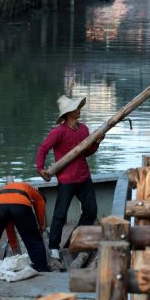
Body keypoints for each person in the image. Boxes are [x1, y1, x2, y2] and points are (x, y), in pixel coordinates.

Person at [37, 95, 103, 261]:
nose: (79, 110)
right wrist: (40, 168)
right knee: (60, 214)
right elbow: (43, 149)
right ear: (68, 113)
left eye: (79, 107)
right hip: (66, 179)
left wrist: (97, 143)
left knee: (91, 211)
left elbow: (87, 152)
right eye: (76, 108)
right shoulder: (58, 131)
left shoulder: (84, 129)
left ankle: (75, 238)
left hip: (84, 177)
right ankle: (53, 246)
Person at [0, 182, 49, 272]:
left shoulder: (13, 188)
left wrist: (13, 243)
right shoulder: (38, 195)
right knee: (35, 242)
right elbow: (40, 211)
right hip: (20, 206)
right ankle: (42, 269)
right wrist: (40, 228)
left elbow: (9, 223)